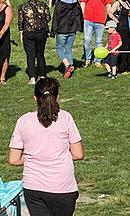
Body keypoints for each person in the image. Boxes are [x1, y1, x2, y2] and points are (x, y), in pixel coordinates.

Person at [8, 77, 83, 216]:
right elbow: (78, 154)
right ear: (57, 97)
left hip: (33, 186)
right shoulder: (66, 118)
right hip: (62, 186)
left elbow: (13, 160)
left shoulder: (23, 120)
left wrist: (33, 155)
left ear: (34, 98)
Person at [19, 0, 50, 85]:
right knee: (40, 54)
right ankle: (42, 75)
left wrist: (21, 32)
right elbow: (48, 18)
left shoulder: (23, 7)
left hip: (28, 32)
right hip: (41, 32)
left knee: (30, 55)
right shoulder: (43, 5)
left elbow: (21, 21)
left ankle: (32, 77)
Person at [79, 0, 112, 67]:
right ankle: (87, 59)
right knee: (87, 40)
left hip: (100, 20)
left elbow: (108, 4)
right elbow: (82, 3)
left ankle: (98, 60)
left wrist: (108, 15)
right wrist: (84, 15)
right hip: (88, 19)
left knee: (99, 41)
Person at [52, 0, 82, 78]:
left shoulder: (59, 2)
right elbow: (79, 14)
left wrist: (53, 30)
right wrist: (80, 26)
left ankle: (68, 65)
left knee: (59, 48)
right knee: (68, 48)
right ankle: (71, 65)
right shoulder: (75, 1)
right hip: (72, 29)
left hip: (62, 29)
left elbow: (56, 17)